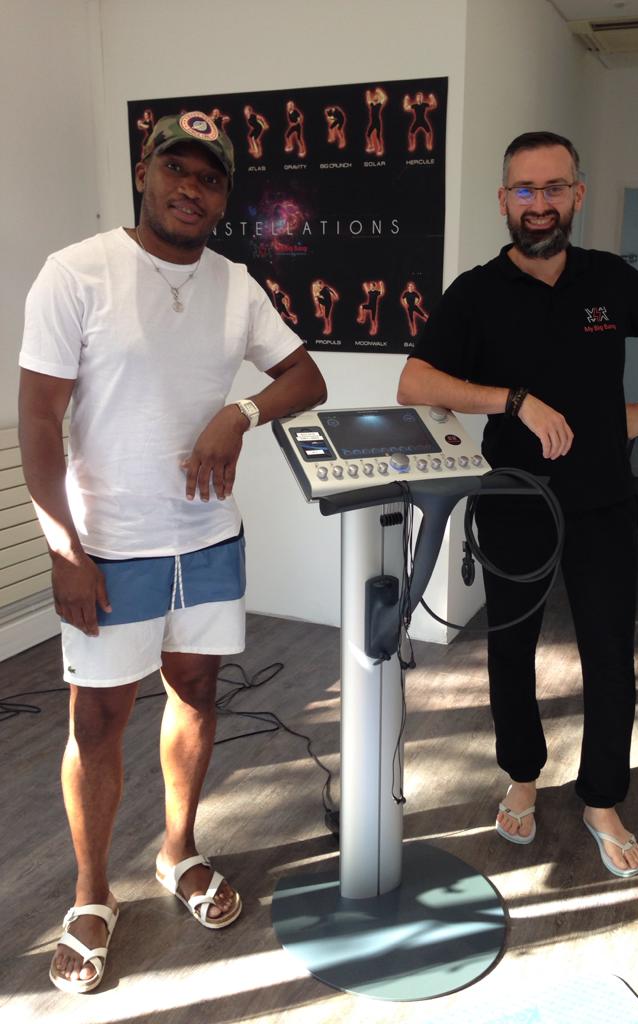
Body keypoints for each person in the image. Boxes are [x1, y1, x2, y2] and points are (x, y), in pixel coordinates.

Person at [18, 110, 326, 995]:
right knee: (98, 721)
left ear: (225, 197)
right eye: (176, 170)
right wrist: (63, 550)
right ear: (145, 174)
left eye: (210, 178)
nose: (191, 189)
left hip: (208, 539)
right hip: (110, 547)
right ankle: (90, 894)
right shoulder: (77, 272)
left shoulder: (235, 285)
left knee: (196, 693)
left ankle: (178, 851)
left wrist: (241, 412)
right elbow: (38, 420)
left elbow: (306, 376)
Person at [397, 131, 638, 879]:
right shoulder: (476, 292)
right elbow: (415, 383)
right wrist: (514, 401)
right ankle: (523, 777)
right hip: (514, 501)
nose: (540, 203)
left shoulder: (609, 280)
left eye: (554, 187)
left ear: (578, 195)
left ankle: (602, 800)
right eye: (526, 190)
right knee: (511, 650)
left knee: (609, 654)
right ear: (504, 200)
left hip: (603, 503)